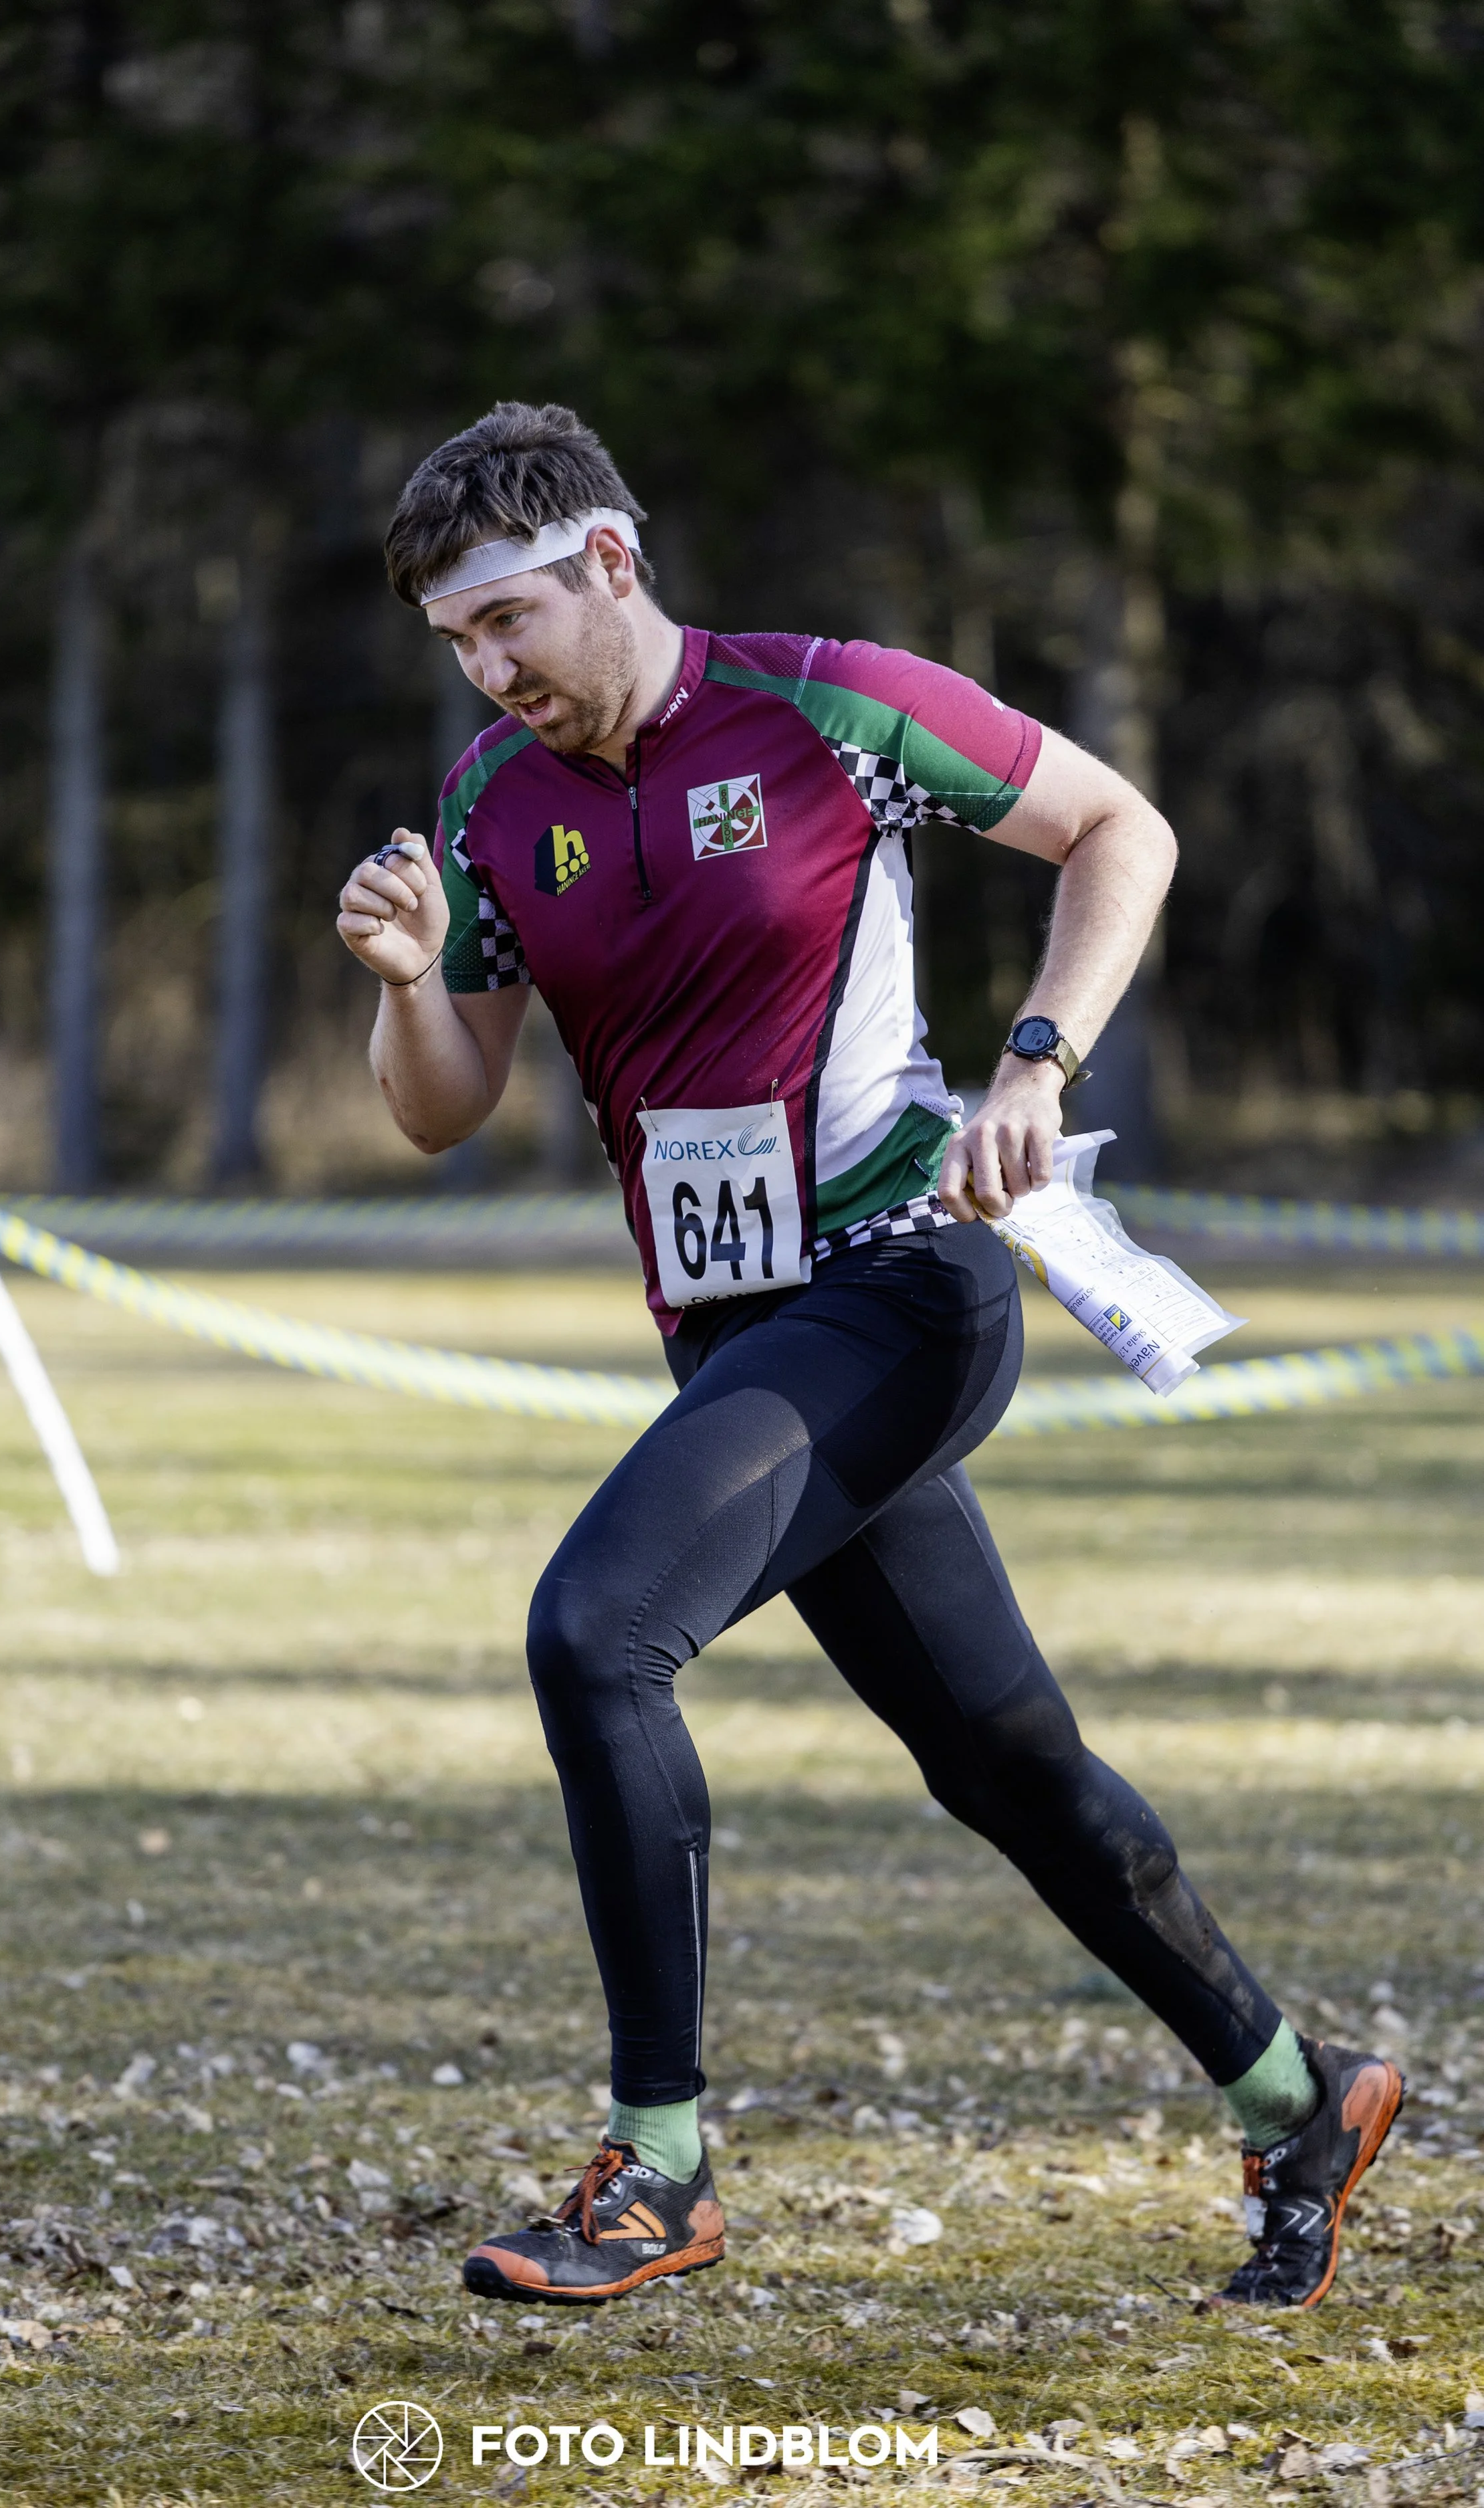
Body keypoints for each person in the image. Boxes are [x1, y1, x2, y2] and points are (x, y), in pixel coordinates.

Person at [336, 400, 1401, 2312]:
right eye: (455, 645)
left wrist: (1036, 1059)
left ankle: (656, 2167)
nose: (488, 670)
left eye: (507, 619)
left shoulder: (826, 703)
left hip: (906, 1289)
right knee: (1004, 1758)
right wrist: (412, 987)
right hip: (738, 1345)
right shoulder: (498, 799)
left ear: (608, 561)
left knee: (594, 1633)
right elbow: (440, 1108)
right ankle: (1297, 2090)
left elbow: (1114, 827)